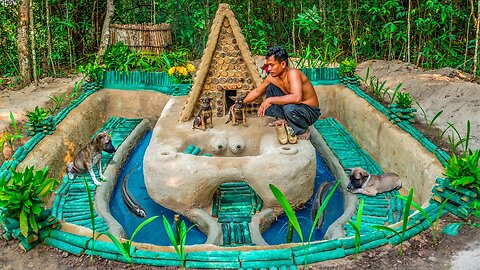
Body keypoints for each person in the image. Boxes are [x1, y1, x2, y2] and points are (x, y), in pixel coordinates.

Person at [243, 46, 321, 140]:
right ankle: (285, 119)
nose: (269, 69)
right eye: (268, 65)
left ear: (283, 64)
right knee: (270, 92)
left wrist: (270, 100)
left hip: (309, 111)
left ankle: (303, 130)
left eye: (272, 65)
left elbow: (297, 98)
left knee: (289, 108)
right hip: (293, 107)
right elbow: (257, 92)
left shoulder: (293, 73)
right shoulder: (272, 77)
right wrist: (240, 103)